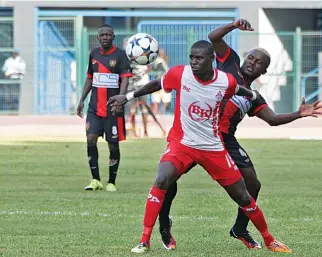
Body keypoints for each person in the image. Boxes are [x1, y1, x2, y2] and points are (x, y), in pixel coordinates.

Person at [107, 40, 292, 253]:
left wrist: (254, 96)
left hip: (213, 146)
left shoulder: (225, 80)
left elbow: (241, 90)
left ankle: (268, 240)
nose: (194, 62)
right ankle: (147, 238)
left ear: (211, 61)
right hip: (183, 143)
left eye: (199, 58)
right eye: (191, 58)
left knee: (244, 195)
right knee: (163, 178)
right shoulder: (180, 73)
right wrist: (128, 96)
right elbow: (157, 84)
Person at [156, 19, 322, 250]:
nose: (252, 63)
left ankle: (240, 229)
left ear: (264, 71)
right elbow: (214, 37)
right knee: (168, 178)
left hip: (225, 140)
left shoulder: (253, 96)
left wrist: (299, 113)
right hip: (198, 133)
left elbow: (272, 120)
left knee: (253, 184)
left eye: (258, 63)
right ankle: (164, 223)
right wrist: (233, 26)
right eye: (251, 57)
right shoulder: (230, 62)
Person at [76, 24, 132, 192]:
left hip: (113, 109)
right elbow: (89, 78)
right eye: (102, 35)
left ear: (113, 36)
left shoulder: (121, 55)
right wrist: (82, 100)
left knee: (113, 145)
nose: (105, 37)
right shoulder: (93, 54)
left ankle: (111, 182)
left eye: (108, 34)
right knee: (91, 139)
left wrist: (120, 101)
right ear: (98, 37)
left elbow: (125, 79)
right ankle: (95, 180)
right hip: (94, 107)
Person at [151, 48, 172, 115]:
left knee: (157, 99)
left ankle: (158, 112)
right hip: (162, 82)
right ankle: (160, 111)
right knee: (164, 98)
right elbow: (160, 69)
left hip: (157, 82)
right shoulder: (159, 61)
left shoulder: (159, 61)